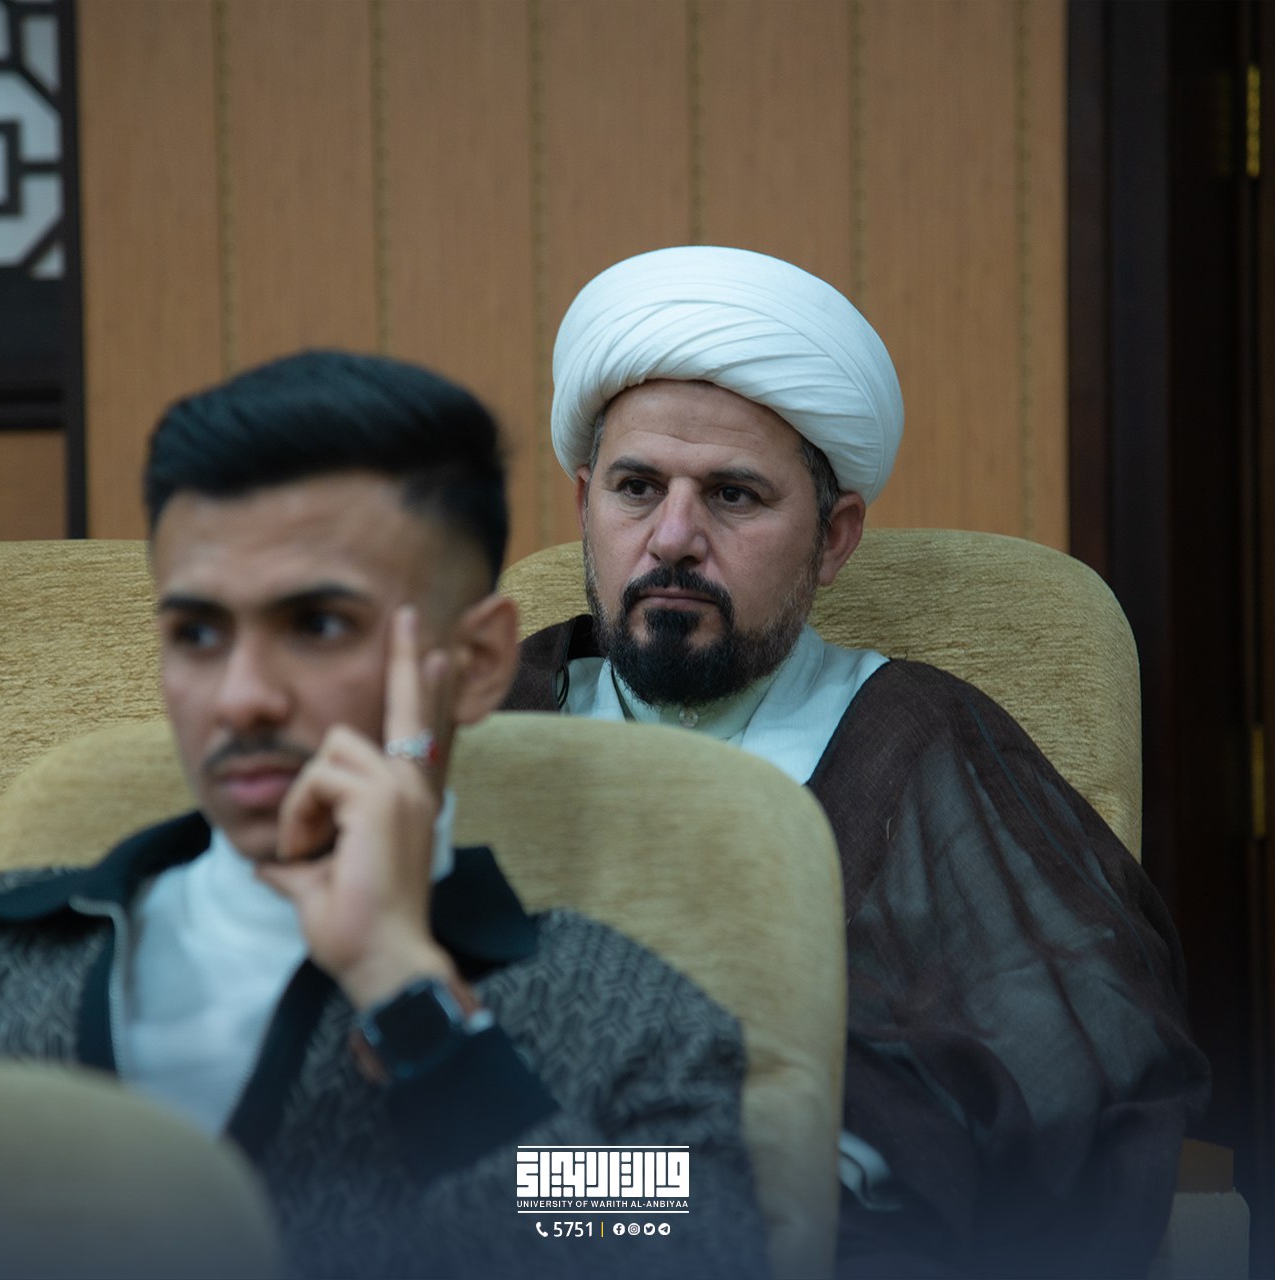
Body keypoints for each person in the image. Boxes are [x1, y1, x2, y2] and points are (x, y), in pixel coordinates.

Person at [0, 350, 767, 1279]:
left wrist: (417, 1008)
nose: (240, 699)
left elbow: (683, 1251)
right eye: (197, 633)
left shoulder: (620, 1015)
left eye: (317, 625)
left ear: (474, 663)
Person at [503, 246, 1212, 1277]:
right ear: (584, 505)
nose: (673, 537)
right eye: (637, 487)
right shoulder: (484, 719)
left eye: (734, 495)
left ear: (833, 539)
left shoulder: (916, 738)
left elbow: (1086, 1058)